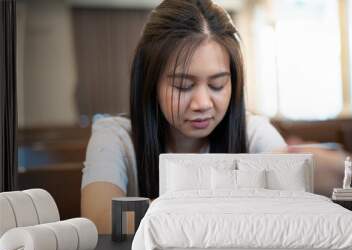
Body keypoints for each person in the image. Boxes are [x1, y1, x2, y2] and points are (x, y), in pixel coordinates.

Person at [81, 0, 286, 233]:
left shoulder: (253, 132)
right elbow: (98, 221)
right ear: (150, 83)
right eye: (183, 86)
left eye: (217, 85)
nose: (202, 104)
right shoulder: (115, 137)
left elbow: (291, 184)